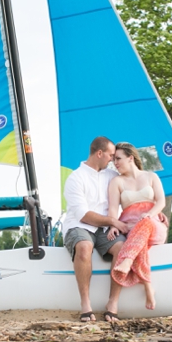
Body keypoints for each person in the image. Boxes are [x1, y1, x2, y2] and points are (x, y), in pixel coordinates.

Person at [62, 136, 129, 323]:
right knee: (84, 247)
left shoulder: (112, 176)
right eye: (110, 155)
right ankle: (85, 304)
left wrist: (153, 212)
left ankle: (112, 303)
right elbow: (83, 214)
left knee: (122, 249)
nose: (113, 160)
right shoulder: (75, 178)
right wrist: (112, 221)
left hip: (105, 229)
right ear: (99, 153)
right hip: (80, 225)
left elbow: (132, 192)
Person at [106, 142, 168, 310]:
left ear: (130, 158)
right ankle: (148, 287)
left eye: (118, 159)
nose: (115, 163)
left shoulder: (151, 177)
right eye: (113, 160)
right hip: (129, 227)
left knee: (144, 224)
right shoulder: (116, 182)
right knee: (137, 237)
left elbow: (161, 201)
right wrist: (113, 225)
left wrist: (151, 213)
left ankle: (126, 260)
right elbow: (113, 208)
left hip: (152, 223)